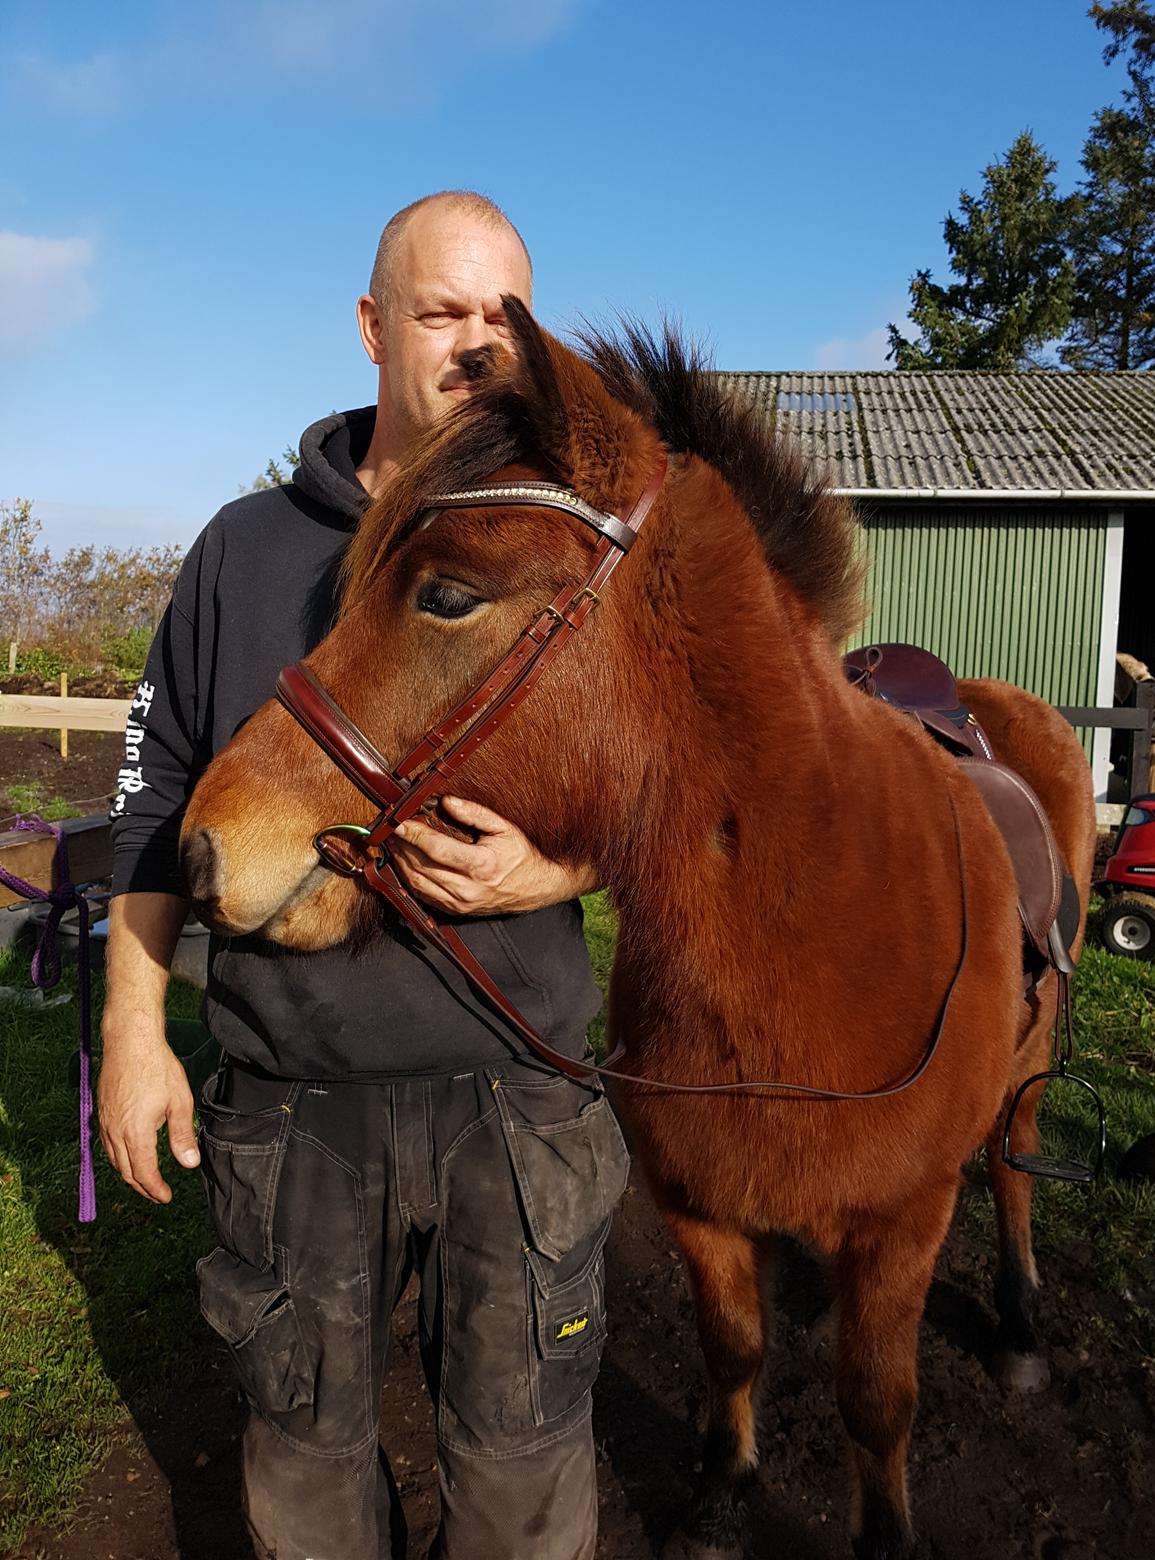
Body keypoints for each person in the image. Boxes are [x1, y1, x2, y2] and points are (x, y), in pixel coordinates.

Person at [99, 190, 629, 1560]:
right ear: (370, 326)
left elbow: (671, 788)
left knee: (523, 1475)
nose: (475, 345)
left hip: (517, 1100)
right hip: (293, 1100)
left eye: (502, 319)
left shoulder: (562, 545)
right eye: (441, 310)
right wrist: (131, 1031)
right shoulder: (244, 549)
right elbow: (155, 798)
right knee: (307, 1469)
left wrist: (557, 863)